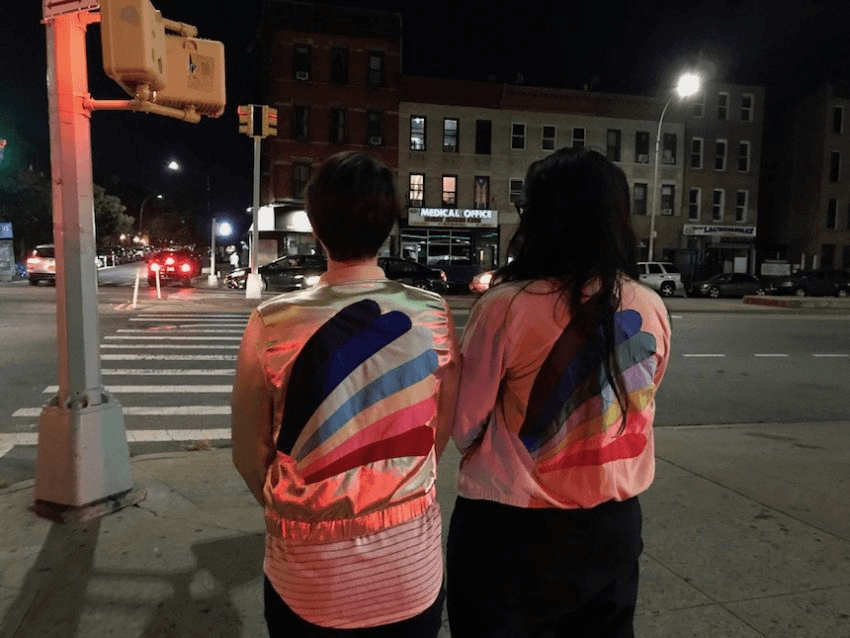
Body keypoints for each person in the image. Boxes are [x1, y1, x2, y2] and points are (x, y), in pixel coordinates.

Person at [231, 151, 459, 636]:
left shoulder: (272, 322)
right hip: (409, 568)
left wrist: (297, 508)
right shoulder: (432, 313)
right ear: (389, 226)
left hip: (308, 575)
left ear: (316, 226)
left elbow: (249, 454)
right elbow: (437, 434)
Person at [446, 146, 671, 637]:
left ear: (542, 219)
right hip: (612, 530)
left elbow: (464, 426)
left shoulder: (506, 306)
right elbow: (639, 405)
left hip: (512, 533)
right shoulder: (649, 305)